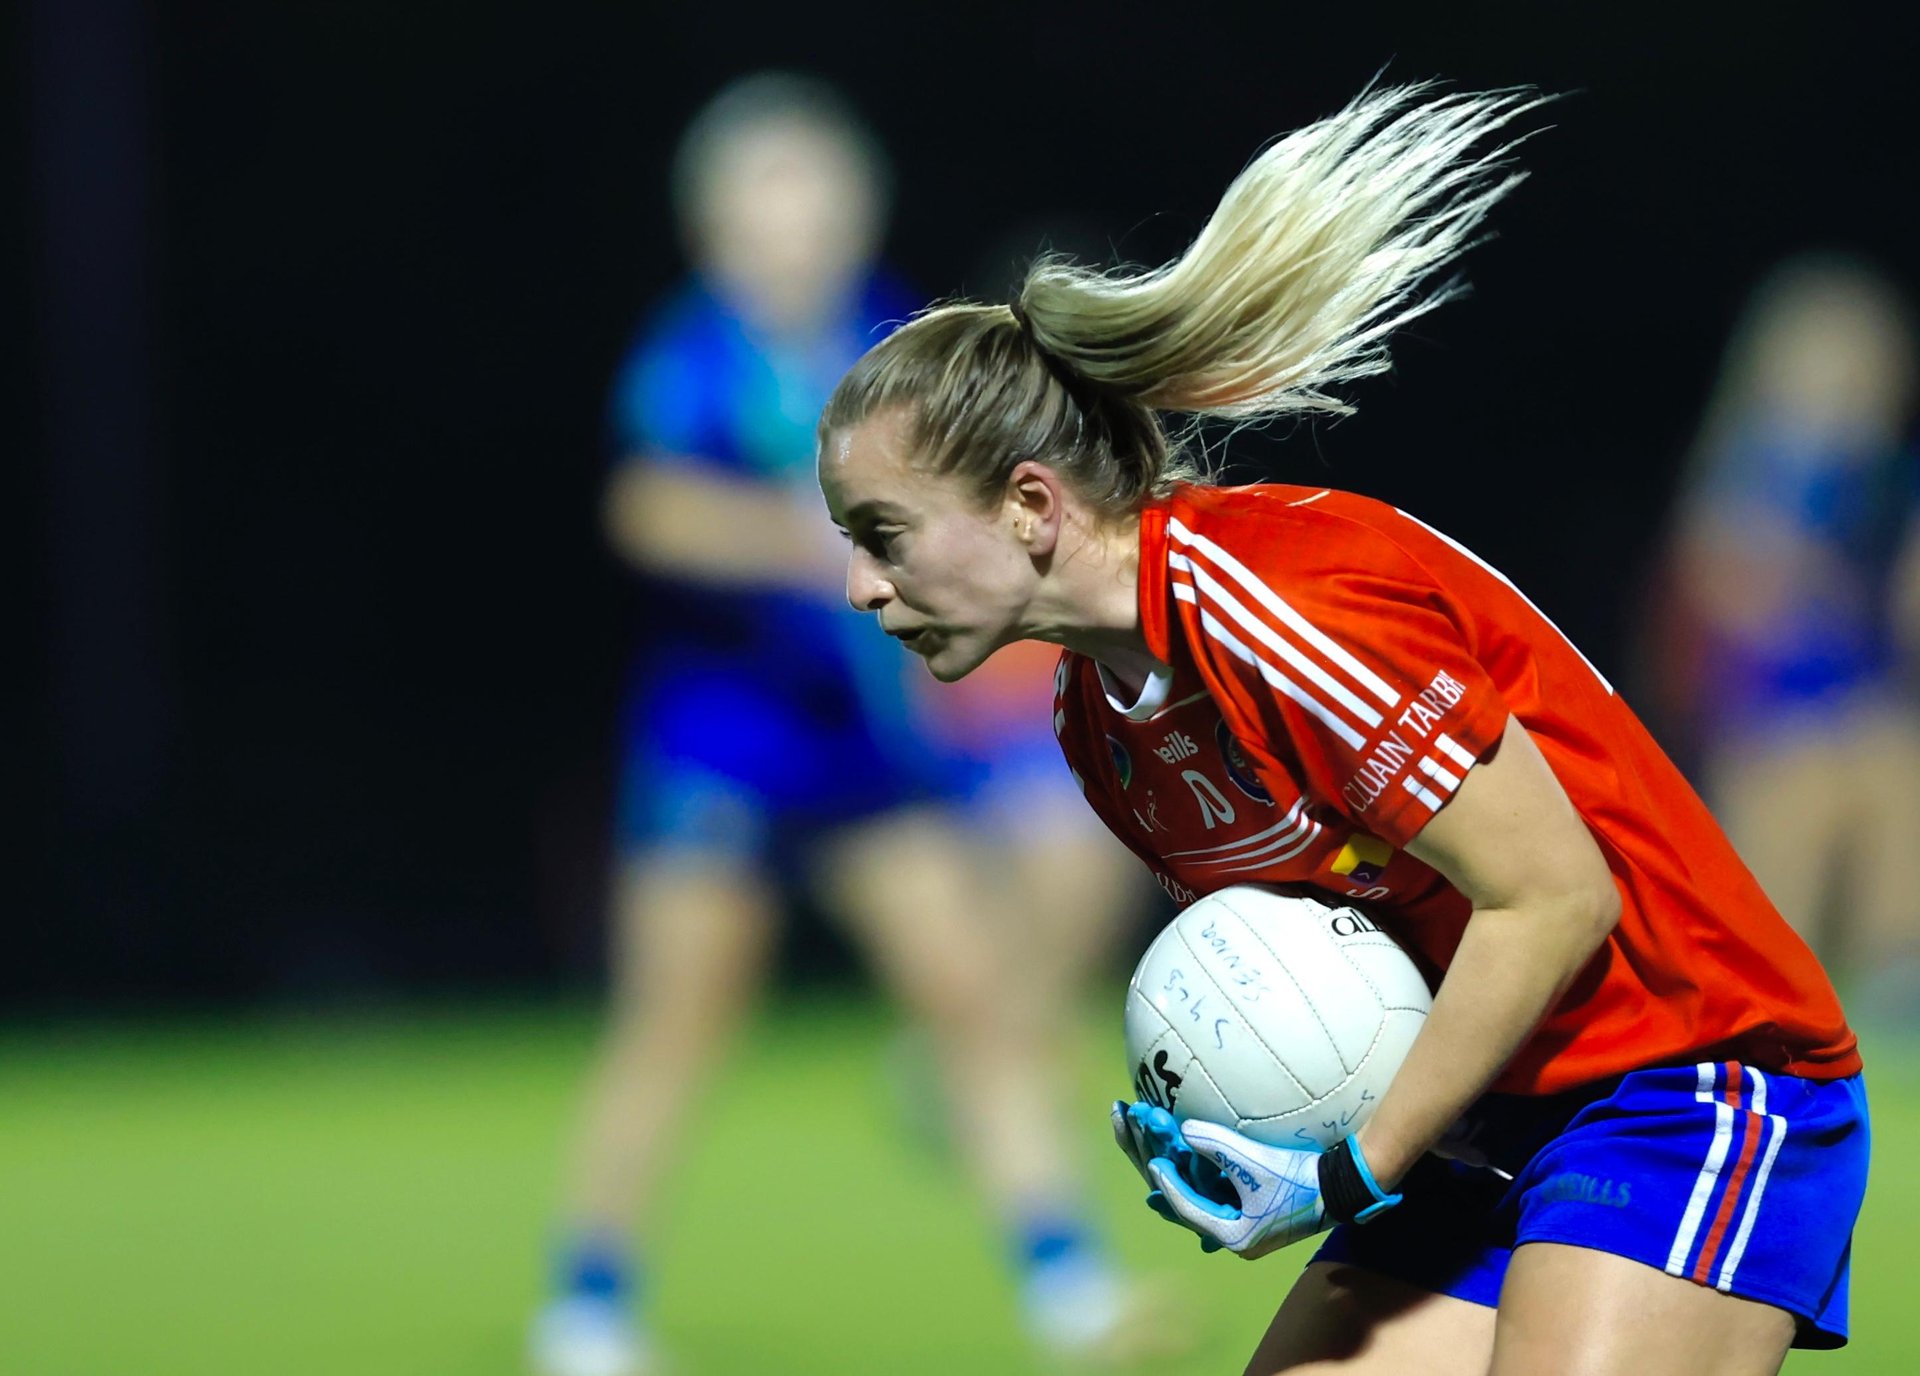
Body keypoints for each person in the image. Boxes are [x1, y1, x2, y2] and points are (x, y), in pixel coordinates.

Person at [815, 84, 1867, 1374]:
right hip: (1483, 1109)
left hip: (1687, 1072)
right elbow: (1347, 956)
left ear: (1030, 504)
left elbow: (1555, 897)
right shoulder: (1102, 731)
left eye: (884, 537)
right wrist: (1232, 1102)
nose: (861, 588)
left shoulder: (1280, 602)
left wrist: (1347, 1166)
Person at [532, 73, 1146, 1376]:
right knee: (675, 1022)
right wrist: (802, 541)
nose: (799, 219)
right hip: (723, 747)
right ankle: (586, 1301)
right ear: (716, 219)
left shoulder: (884, 345)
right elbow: (647, 509)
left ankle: (1067, 1285)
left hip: (872, 755)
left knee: (975, 1005)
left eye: (818, 190)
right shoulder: (689, 354)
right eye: (772, 192)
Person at [1647, 253, 1920, 1018]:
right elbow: (1720, 581)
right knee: (1787, 831)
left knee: (1896, 786)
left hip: (1861, 700)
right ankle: (1769, 1002)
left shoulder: (1886, 479)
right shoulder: (1752, 465)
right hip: (1766, 711)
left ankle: (1895, 981)